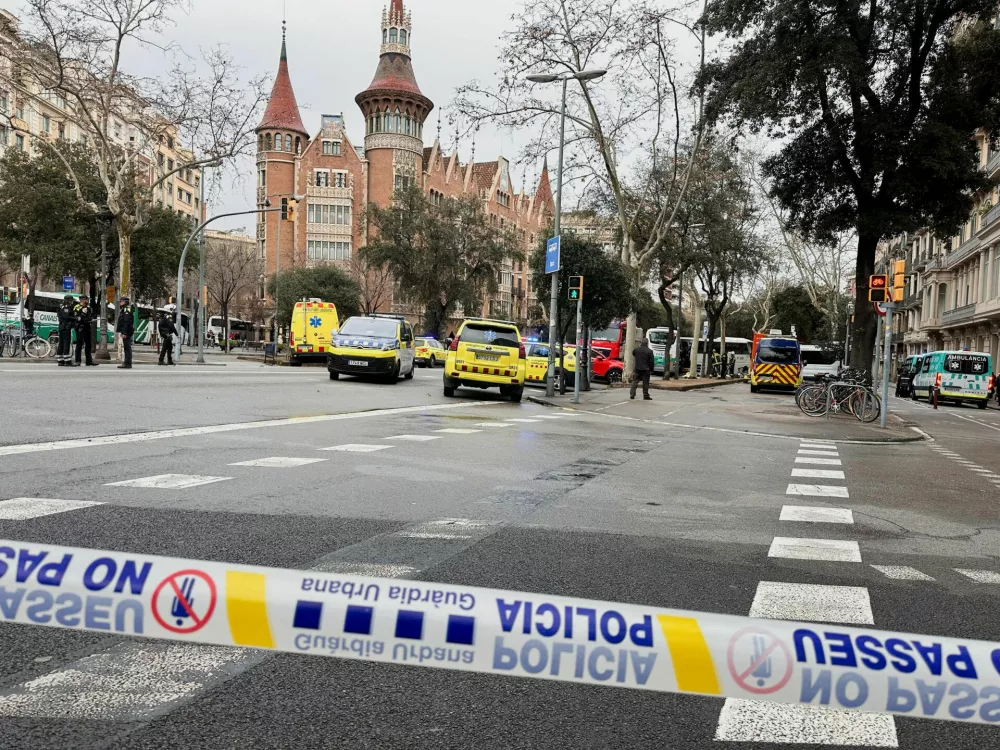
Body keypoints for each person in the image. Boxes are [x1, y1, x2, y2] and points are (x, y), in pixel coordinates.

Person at [72, 297, 98, 367]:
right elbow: (77, 318)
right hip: (80, 327)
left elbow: (90, 317)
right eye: (85, 300)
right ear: (81, 300)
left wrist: (90, 319)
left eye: (87, 300)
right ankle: (77, 361)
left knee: (88, 345)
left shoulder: (88, 308)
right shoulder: (77, 307)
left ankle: (89, 361)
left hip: (87, 327)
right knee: (79, 344)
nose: (87, 301)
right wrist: (83, 313)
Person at [116, 296, 136, 370]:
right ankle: (127, 362)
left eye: (121, 301)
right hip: (127, 331)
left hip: (127, 331)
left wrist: (124, 332)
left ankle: (127, 363)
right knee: (127, 347)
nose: (120, 303)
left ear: (125, 302)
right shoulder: (125, 309)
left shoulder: (126, 309)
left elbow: (127, 322)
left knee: (127, 347)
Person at [56, 296, 75, 366]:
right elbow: (66, 317)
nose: (72, 302)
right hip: (65, 327)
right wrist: (75, 318)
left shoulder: (61, 306)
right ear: (68, 301)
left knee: (61, 343)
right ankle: (67, 361)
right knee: (66, 343)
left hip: (62, 327)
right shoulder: (65, 307)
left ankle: (60, 360)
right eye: (71, 301)